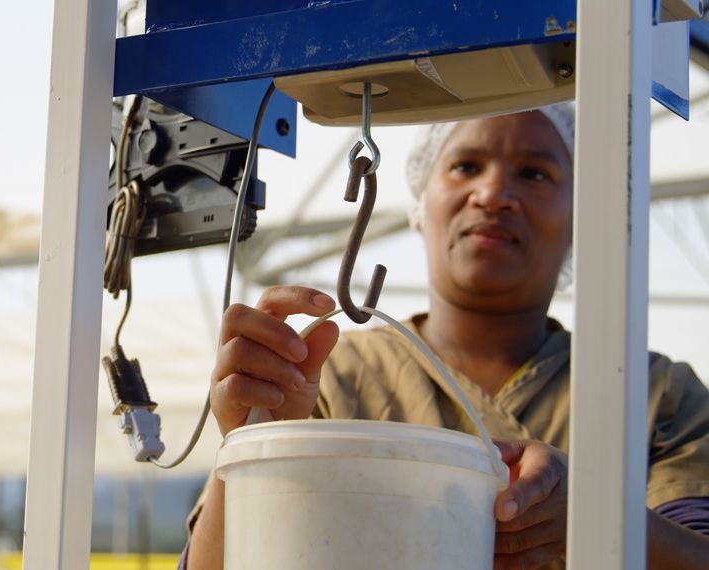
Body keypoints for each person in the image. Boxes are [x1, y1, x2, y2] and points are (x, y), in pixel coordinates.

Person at [183, 105, 709, 569]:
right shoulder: (323, 376)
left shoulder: (654, 394)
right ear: (421, 200)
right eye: (466, 166)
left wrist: (595, 517)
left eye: (535, 173)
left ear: (578, 219)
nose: (494, 194)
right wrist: (256, 441)